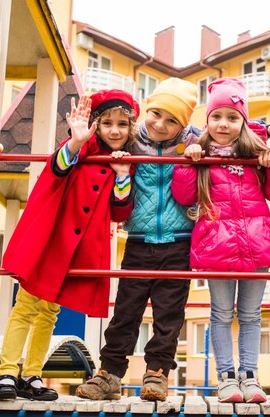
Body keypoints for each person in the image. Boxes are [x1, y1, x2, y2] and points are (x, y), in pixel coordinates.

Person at [0, 90, 139, 401]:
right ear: (96, 125)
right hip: (51, 238)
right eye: (108, 123)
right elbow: (56, 168)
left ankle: (31, 374)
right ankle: (6, 371)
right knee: (27, 305)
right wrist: (75, 140)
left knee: (49, 311)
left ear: (130, 128)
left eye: (122, 125)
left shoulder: (124, 161)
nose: (115, 130)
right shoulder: (81, 147)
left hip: (78, 246)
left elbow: (120, 211)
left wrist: (123, 175)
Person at [171, 77, 270, 403]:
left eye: (232, 117)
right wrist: (189, 161)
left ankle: (250, 378)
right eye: (216, 116)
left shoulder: (254, 151)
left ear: (243, 122)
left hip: (256, 242)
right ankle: (226, 377)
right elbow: (184, 196)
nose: (223, 124)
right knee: (221, 313)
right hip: (218, 244)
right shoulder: (200, 151)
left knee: (252, 314)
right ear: (207, 120)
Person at [75, 78, 200, 402]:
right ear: (147, 109)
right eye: (156, 113)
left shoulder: (192, 142)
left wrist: (266, 133)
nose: (160, 124)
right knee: (126, 312)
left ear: (183, 124)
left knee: (168, 315)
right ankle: (110, 375)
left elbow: (230, 135)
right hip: (139, 241)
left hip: (179, 242)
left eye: (172, 120)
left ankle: (157, 374)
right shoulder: (130, 140)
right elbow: (98, 142)